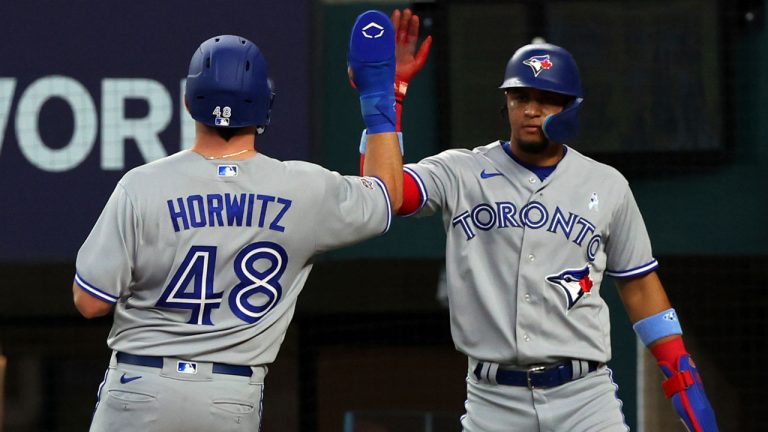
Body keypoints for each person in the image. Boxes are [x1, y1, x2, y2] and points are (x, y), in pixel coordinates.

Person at [375, 9, 719, 432]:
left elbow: (641, 286)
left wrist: (680, 370)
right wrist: (385, 97)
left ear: (570, 106)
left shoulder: (606, 184)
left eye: (544, 98)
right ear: (506, 102)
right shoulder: (461, 171)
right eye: (521, 97)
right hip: (493, 401)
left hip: (585, 398)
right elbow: (386, 195)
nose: (531, 110)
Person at [71, 10, 401, 431]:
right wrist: (378, 93)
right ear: (266, 106)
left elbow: (90, 301)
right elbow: (390, 195)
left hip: (139, 385)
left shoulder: (141, 185)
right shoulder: (304, 188)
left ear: (189, 101)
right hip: (228, 396)